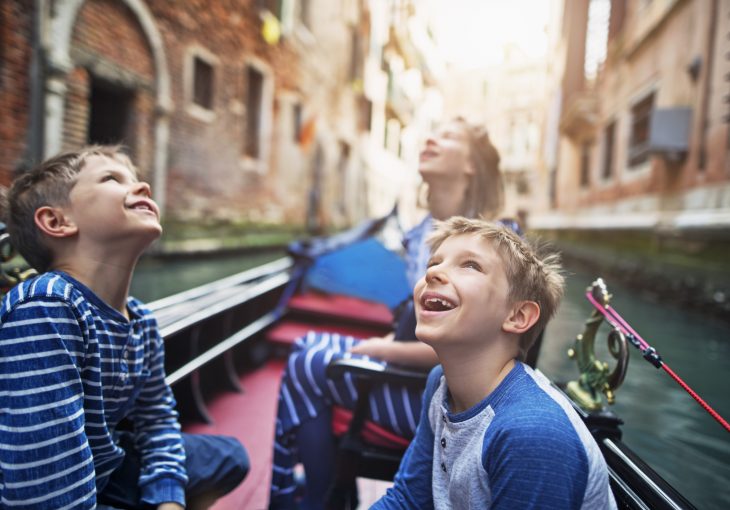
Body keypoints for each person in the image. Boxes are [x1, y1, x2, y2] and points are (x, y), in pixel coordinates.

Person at [269, 117, 508, 509]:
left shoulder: (490, 246)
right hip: (411, 376)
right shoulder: (423, 235)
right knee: (306, 347)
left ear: (471, 164)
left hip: (442, 399)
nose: (431, 137)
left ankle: (312, 499)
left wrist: (380, 350)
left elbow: (462, 351)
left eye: (446, 135)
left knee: (309, 363)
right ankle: (318, 494)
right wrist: (382, 346)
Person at [0, 146, 248, 509]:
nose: (144, 186)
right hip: (53, 491)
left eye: (134, 179)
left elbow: (157, 420)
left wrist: (168, 500)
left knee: (229, 456)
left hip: (104, 468)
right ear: (57, 222)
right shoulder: (46, 308)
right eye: (112, 179)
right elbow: (46, 491)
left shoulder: (141, 320)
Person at [372, 217, 617, 509]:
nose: (434, 272)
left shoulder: (529, 434)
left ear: (517, 317)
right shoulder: (440, 383)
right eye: (433, 263)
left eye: (470, 265)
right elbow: (409, 500)